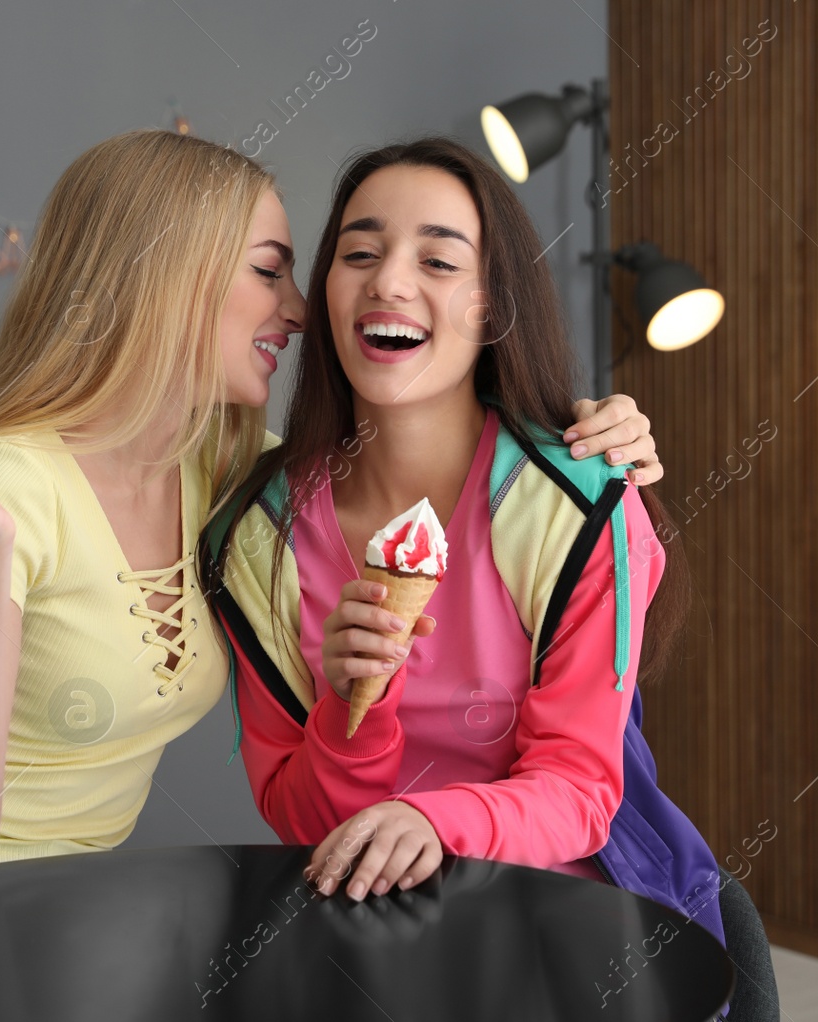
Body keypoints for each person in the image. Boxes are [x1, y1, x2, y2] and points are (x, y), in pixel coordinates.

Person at [0, 128, 667, 909]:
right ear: (165, 280)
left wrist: (596, 440)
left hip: (59, 897)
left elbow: (582, 777)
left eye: (438, 260)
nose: (295, 306)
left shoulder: (228, 478)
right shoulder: (12, 486)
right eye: (271, 270)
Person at [200, 136, 778, 1021]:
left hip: (572, 922)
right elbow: (297, 818)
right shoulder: (257, 537)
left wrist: (436, 820)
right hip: (367, 936)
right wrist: (352, 714)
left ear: (491, 306)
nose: (390, 281)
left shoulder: (579, 508)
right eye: (359, 253)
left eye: (437, 258)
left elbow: (581, 792)